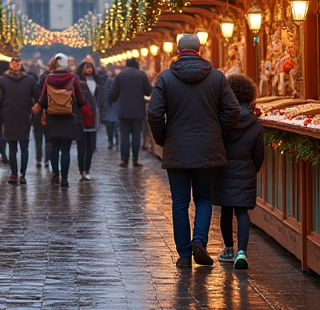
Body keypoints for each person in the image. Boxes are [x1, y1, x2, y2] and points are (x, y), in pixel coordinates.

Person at [147, 34, 238, 267]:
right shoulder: (217, 77)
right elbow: (232, 109)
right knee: (203, 197)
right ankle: (199, 239)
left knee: (179, 201)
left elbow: (155, 113)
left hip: (176, 148)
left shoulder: (166, 78)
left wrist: (163, 137)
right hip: (208, 147)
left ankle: (184, 255)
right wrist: (218, 130)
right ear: (200, 50)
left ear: (178, 51)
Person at [212, 74, 264, 269]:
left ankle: (228, 249)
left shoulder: (221, 120)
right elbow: (259, 153)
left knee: (225, 210)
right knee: (242, 212)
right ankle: (242, 251)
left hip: (223, 169)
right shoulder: (255, 123)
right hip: (246, 169)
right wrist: (252, 169)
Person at [34, 52, 91, 188]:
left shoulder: (48, 78)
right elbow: (80, 99)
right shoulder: (73, 78)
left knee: (54, 148)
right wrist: (87, 110)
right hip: (69, 117)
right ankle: (64, 179)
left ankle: (55, 175)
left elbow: (42, 99)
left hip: (52, 117)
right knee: (66, 150)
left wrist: (39, 110)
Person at [0, 54, 38, 184]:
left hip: (22, 117)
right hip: (11, 116)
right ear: (11, 64)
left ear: (20, 64)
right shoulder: (5, 80)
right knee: (13, 147)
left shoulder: (27, 80)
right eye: (14, 62)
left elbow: (37, 97)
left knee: (23, 147)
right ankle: (14, 172)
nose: (16, 64)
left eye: (18, 62)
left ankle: (21, 173)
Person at [107, 57, 152, 168]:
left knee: (124, 135)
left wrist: (112, 101)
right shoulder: (141, 75)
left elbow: (112, 93)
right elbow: (148, 91)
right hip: (138, 110)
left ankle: (124, 159)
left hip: (124, 110)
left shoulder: (120, 75)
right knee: (137, 135)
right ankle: (135, 159)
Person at [77, 60, 104, 180]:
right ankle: (82, 170)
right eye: (86, 67)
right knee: (81, 146)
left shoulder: (97, 83)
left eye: (90, 67)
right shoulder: (78, 82)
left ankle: (86, 169)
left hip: (94, 116)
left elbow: (101, 99)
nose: (89, 70)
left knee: (91, 147)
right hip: (81, 116)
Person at [104, 66, 121, 148]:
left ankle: (116, 142)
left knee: (115, 124)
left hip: (116, 105)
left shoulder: (111, 80)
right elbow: (106, 93)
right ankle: (112, 141)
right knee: (112, 124)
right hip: (112, 105)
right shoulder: (109, 80)